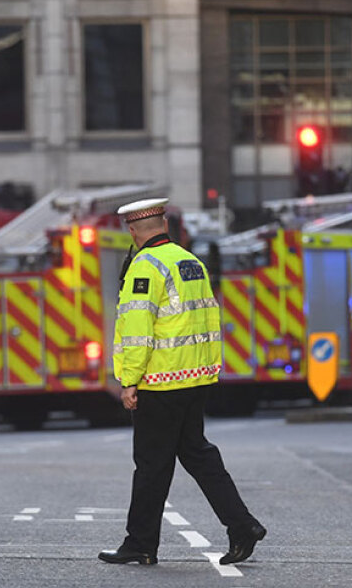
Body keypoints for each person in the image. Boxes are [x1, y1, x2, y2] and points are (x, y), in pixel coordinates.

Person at [98, 198, 266, 567]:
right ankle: (242, 526)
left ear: (132, 230)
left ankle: (140, 543)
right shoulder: (190, 261)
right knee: (196, 453)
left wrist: (129, 380)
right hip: (194, 377)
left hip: (160, 381)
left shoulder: (145, 267)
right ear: (164, 225)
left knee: (152, 464)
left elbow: (139, 330)